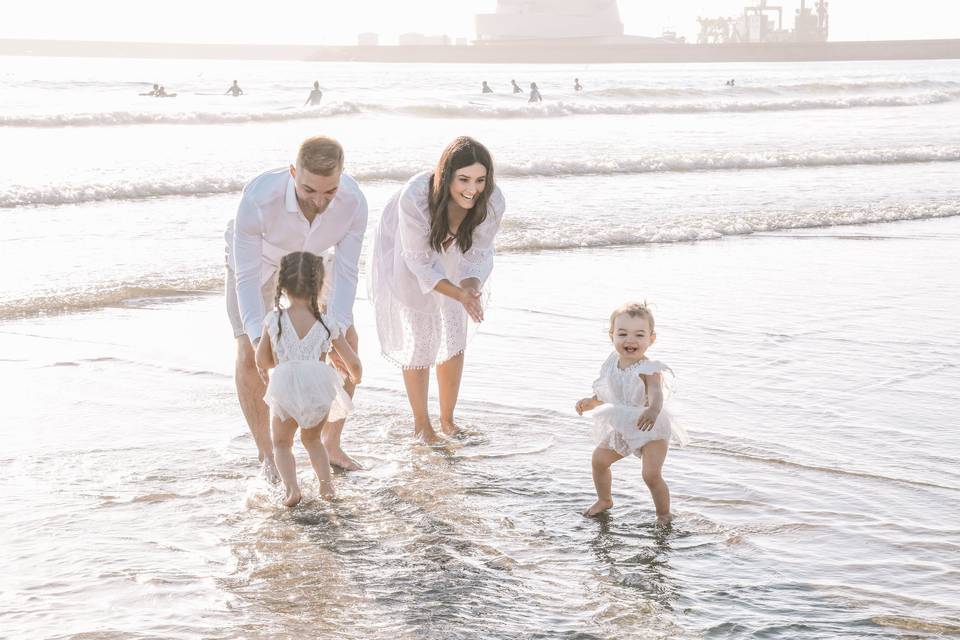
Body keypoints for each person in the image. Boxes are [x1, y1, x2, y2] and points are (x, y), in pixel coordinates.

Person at [225, 135, 368, 479]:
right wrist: (263, 337)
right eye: (309, 190)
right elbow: (245, 277)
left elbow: (348, 272)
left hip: (313, 266)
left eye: (329, 192)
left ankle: (330, 443)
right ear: (293, 172)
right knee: (249, 350)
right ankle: (269, 453)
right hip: (259, 263)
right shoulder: (259, 198)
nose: (320, 201)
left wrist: (334, 331)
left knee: (347, 338)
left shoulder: (354, 203)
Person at [369, 137, 506, 443]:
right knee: (422, 336)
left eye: (480, 180)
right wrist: (455, 293)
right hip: (406, 249)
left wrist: (468, 289)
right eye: (464, 180)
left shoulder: (492, 201)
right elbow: (419, 262)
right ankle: (422, 425)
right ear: (447, 177)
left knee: (455, 332)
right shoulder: (415, 197)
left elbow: (478, 254)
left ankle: (447, 420)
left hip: (456, 251)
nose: (472, 189)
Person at [256, 251, 362, 507]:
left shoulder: (274, 320)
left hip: (285, 388)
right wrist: (355, 376)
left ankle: (292, 490)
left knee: (282, 443)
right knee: (313, 440)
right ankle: (327, 489)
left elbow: (262, 360)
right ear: (319, 285)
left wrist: (280, 361)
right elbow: (353, 361)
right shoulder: (327, 322)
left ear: (283, 285)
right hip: (318, 386)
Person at [575, 303, 689, 522]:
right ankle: (605, 499)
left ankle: (664, 514)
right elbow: (608, 393)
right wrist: (591, 402)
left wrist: (654, 410)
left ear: (651, 339)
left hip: (650, 426)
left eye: (639, 334)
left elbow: (656, 393)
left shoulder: (649, 368)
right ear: (612, 335)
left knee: (650, 475)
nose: (630, 340)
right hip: (624, 423)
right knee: (599, 460)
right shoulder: (611, 363)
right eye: (623, 333)